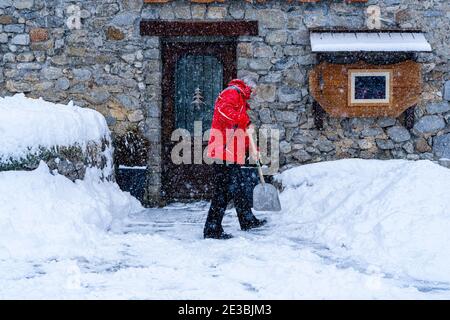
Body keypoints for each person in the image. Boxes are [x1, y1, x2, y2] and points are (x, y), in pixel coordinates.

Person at [204, 78, 267, 240]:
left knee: (239, 188)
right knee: (222, 192)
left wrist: (254, 150)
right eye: (253, 91)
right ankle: (212, 229)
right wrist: (245, 120)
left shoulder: (240, 100)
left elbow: (242, 131)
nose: (253, 95)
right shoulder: (231, 93)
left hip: (232, 153)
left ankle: (247, 220)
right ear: (248, 87)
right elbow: (224, 112)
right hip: (223, 152)